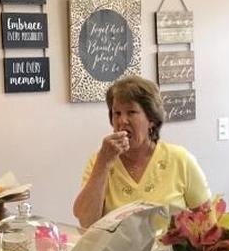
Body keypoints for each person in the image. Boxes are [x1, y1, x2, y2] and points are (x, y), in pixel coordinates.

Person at [73, 75, 210, 227]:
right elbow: (86, 222)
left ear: (151, 119)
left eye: (131, 112)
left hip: (169, 250)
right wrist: (103, 164)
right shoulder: (98, 161)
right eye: (116, 113)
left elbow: (207, 219)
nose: (122, 121)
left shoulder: (180, 159)